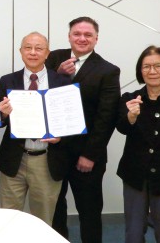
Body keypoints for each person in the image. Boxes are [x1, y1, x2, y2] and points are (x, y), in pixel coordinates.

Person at [47, 16, 121, 242]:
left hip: (86, 155)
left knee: (89, 212)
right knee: (55, 210)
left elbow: (106, 117)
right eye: (77, 34)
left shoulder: (108, 70)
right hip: (55, 152)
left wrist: (90, 155)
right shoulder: (53, 59)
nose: (82, 38)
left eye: (88, 35)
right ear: (69, 36)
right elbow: (38, 91)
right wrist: (56, 74)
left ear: (96, 39)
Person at [0, 32, 71, 225]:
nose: (33, 52)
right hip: (14, 160)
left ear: (47, 53)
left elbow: (71, 122)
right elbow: (0, 122)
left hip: (47, 160)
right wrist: (3, 114)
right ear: (20, 51)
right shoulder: (7, 81)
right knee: (8, 220)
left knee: (43, 221)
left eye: (39, 48)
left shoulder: (63, 83)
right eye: (28, 48)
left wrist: (60, 137)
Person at [116, 46, 160, 243]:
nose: (152, 71)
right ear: (140, 70)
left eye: (158, 66)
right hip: (135, 176)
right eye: (146, 66)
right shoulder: (129, 99)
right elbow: (121, 127)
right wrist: (131, 117)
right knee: (134, 234)